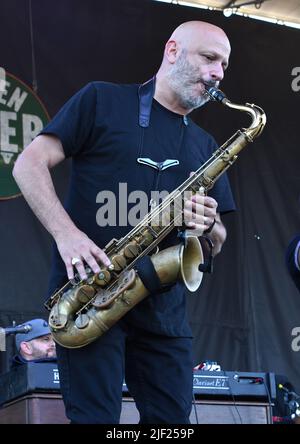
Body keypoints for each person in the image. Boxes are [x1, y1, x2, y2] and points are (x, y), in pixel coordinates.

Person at [13, 21, 235, 423]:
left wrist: (208, 225)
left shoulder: (206, 145)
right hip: (89, 298)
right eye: (210, 58)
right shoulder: (101, 100)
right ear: (173, 51)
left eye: (223, 64)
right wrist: (68, 236)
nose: (218, 72)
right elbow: (27, 165)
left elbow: (218, 237)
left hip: (164, 315)